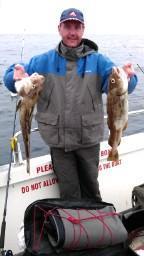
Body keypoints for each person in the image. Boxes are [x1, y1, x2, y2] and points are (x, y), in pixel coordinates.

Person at [3, 8, 138, 201]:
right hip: (59, 142)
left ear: (83, 30)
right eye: (68, 26)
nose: (72, 32)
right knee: (69, 195)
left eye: (77, 27)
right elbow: (13, 78)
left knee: (92, 191)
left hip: (88, 140)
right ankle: (74, 228)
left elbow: (122, 87)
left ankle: (95, 228)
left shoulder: (99, 61)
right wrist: (14, 77)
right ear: (59, 28)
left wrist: (129, 77)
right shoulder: (43, 61)